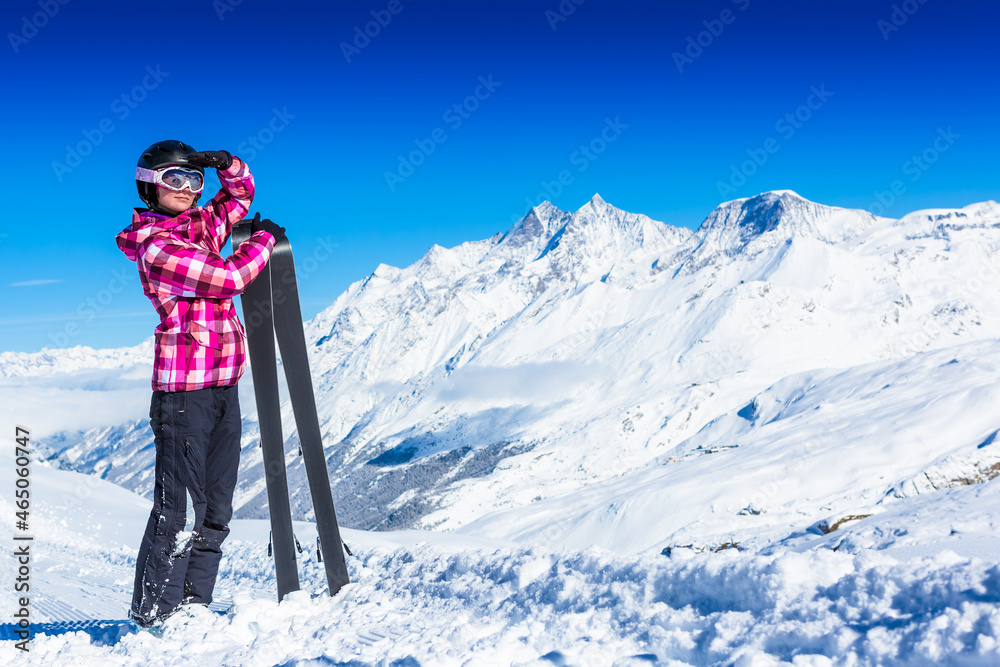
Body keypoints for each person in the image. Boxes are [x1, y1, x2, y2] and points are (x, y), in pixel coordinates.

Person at [116, 139, 285, 628]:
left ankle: (194, 604)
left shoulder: (200, 226)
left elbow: (239, 196)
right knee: (179, 511)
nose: (188, 189)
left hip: (223, 386)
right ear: (150, 186)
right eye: (175, 180)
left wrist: (226, 164)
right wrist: (262, 242)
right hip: (183, 396)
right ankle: (153, 613)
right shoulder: (157, 246)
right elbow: (229, 279)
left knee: (217, 507)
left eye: (194, 179)